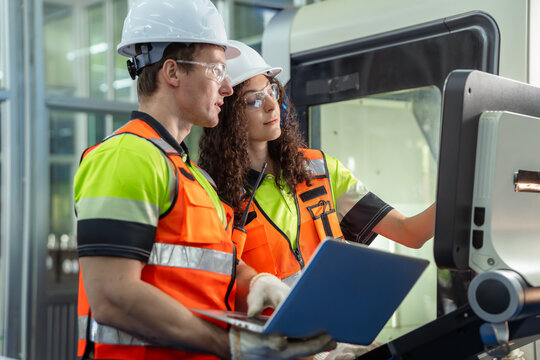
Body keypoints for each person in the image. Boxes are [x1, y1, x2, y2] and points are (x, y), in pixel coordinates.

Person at [74, 2, 334, 360]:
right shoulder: (125, 158)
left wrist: (253, 281)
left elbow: (206, 269)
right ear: (172, 72)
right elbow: (113, 297)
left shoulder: (194, 177)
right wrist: (230, 346)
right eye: (217, 70)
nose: (227, 88)